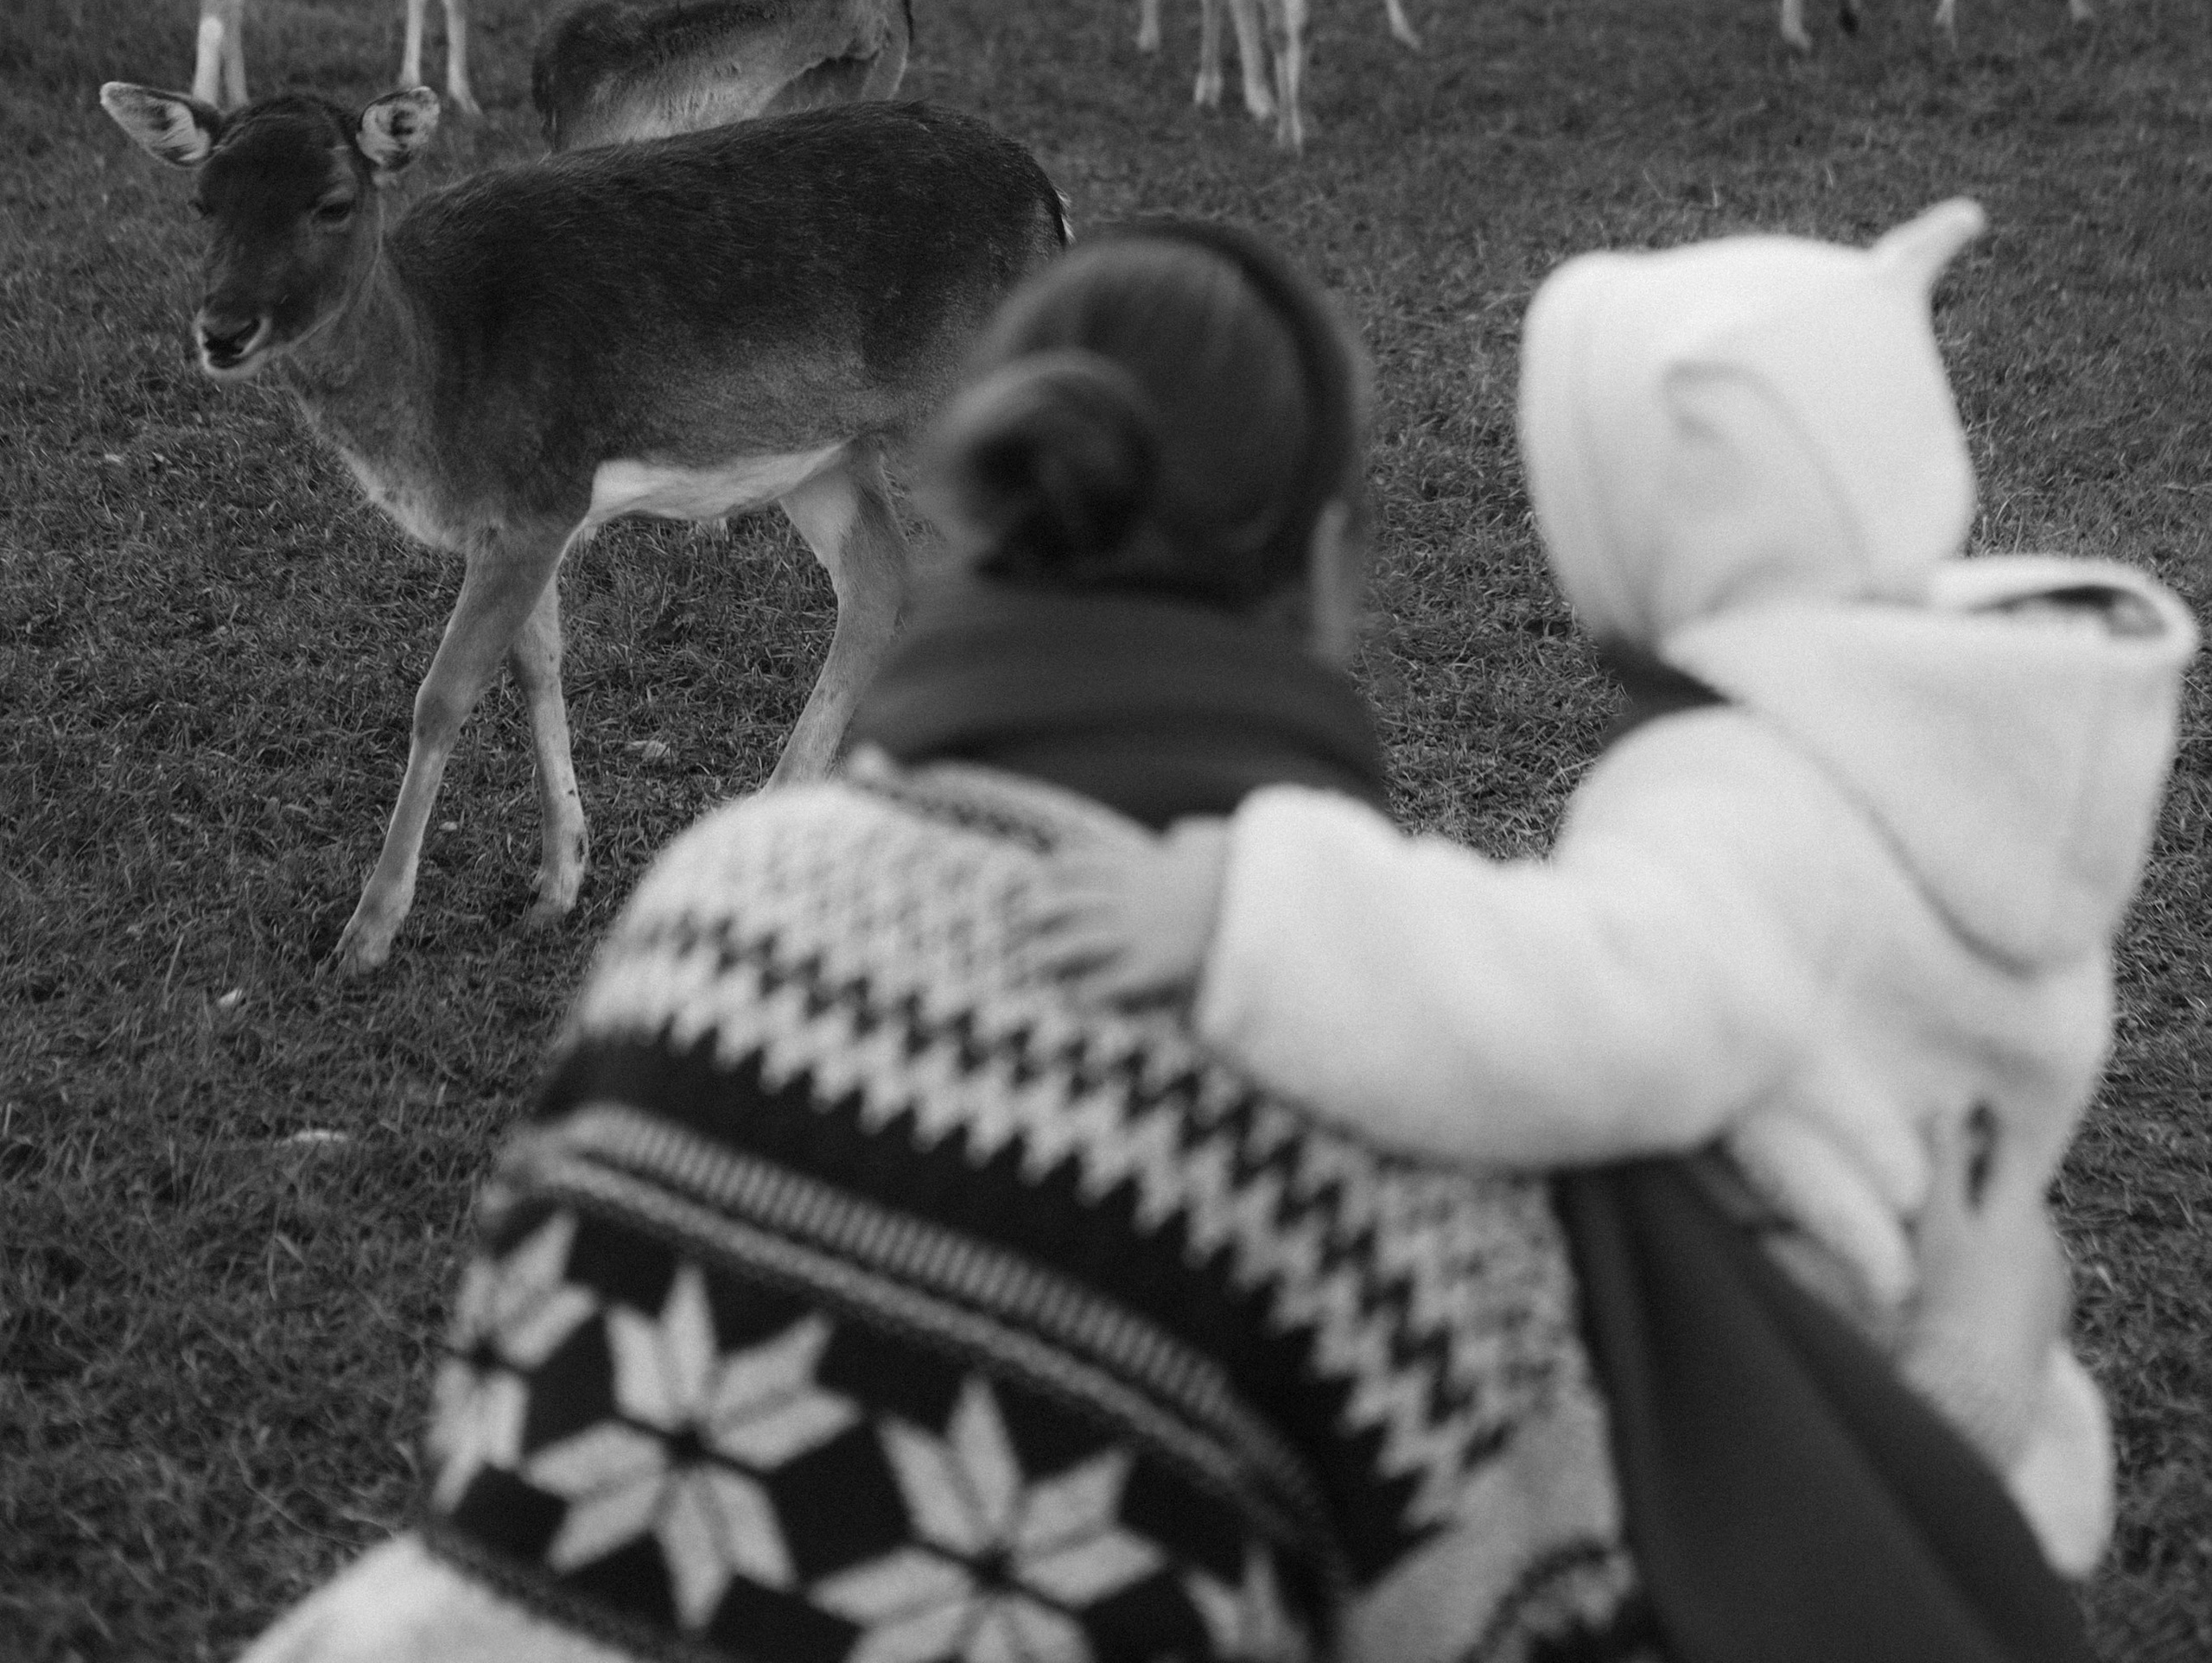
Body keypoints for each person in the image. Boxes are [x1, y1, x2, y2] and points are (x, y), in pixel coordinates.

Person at [239, 221, 1660, 1663]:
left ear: (974, 509)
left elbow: (499, 1408)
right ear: (1326, 564)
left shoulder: (718, 902)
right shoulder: (1384, 1063)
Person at [1016, 198, 2199, 1588]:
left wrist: (1263, 914)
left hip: (1799, 1431)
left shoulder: (1753, 797)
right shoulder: (1958, 742)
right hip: (1947, 1393)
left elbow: (1589, 1009)